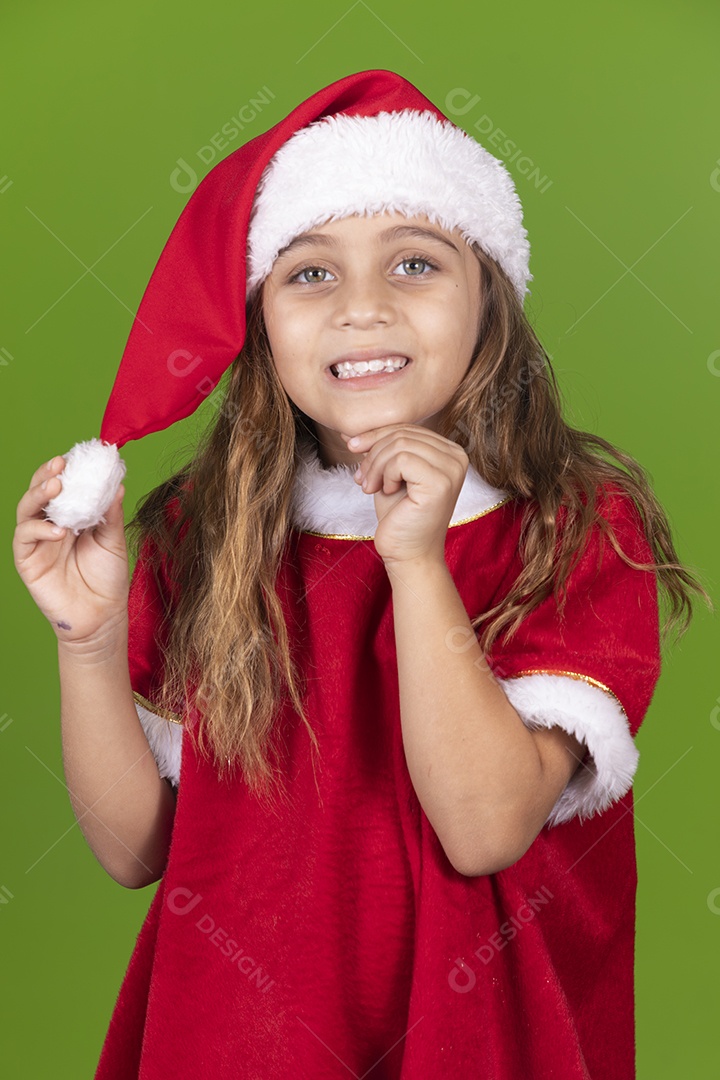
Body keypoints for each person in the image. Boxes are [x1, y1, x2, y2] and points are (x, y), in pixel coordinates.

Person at [12, 69, 710, 1079]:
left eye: (415, 262)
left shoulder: (571, 526)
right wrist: (87, 639)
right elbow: (136, 852)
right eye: (311, 274)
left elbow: (484, 829)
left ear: (489, 297)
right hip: (233, 1043)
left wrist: (416, 561)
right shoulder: (202, 533)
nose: (363, 309)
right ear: (260, 320)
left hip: (474, 1043)